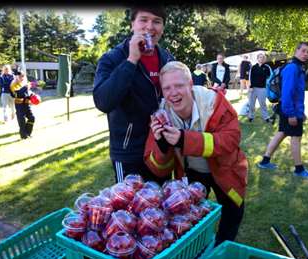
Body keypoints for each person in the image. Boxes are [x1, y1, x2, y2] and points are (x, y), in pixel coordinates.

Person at [144, 61, 248, 246]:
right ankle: (196, 249)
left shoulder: (214, 103)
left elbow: (231, 139)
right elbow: (158, 169)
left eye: (179, 85)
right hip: (192, 173)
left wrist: (185, 140)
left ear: (191, 85)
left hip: (224, 169)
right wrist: (162, 146)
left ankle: (223, 247)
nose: (173, 93)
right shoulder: (160, 116)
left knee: (233, 209)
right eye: (167, 88)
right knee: (190, 217)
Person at [93, 7, 175, 183]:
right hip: (129, 151)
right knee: (130, 206)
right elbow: (103, 101)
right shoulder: (112, 59)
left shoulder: (168, 59)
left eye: (157, 21)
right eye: (143, 20)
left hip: (161, 146)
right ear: (132, 25)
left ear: (162, 28)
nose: (150, 26)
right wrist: (131, 61)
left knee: (162, 203)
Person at [257, 42, 308, 179]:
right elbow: (287, 93)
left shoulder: (297, 67)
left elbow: (296, 94)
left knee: (281, 133)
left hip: (290, 108)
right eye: (303, 51)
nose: (306, 54)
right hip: (289, 110)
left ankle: (264, 161)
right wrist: (292, 114)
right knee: (296, 138)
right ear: (296, 51)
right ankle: (299, 169)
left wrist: (301, 112)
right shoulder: (293, 68)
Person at [10, 71, 35, 139]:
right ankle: (24, 136)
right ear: (16, 76)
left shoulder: (23, 84)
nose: (22, 77)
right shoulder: (13, 84)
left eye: (23, 76)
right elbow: (18, 94)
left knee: (32, 118)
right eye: (20, 76)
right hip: (19, 105)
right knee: (22, 121)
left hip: (26, 104)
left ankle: (28, 133)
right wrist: (26, 87)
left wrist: (32, 96)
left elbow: (27, 94)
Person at [247, 53, 272, 123]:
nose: (261, 59)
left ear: (264, 59)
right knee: (251, 103)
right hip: (253, 88)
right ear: (257, 58)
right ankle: (251, 116)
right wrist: (250, 87)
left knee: (263, 104)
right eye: (260, 57)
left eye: (262, 58)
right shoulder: (253, 67)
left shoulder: (266, 67)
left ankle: (266, 117)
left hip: (262, 88)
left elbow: (269, 76)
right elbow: (250, 77)